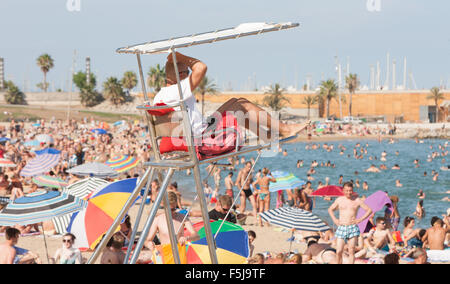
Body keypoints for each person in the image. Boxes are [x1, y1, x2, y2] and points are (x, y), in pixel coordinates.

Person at [152, 52, 310, 143]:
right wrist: (180, 56)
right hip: (202, 136)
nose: (190, 75)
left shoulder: (162, 95)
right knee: (243, 107)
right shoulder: (176, 91)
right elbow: (201, 67)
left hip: (200, 130)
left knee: (237, 102)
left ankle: (265, 135)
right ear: (179, 75)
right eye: (187, 72)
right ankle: (284, 129)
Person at [145, 192, 199, 263]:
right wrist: (149, 244)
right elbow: (147, 240)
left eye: (173, 209)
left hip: (179, 255)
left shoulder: (182, 218)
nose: (171, 213)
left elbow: (196, 236)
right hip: (165, 255)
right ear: (164, 206)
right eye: (169, 209)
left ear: (176, 205)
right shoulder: (158, 220)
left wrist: (186, 238)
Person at [328, 182, 372, 264]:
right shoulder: (339, 200)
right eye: (347, 190)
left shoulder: (357, 200)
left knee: (351, 250)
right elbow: (330, 209)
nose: (348, 192)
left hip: (352, 227)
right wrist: (335, 219)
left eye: (350, 190)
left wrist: (360, 219)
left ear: (352, 190)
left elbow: (369, 210)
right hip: (342, 227)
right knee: (339, 251)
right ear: (343, 190)